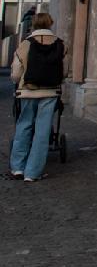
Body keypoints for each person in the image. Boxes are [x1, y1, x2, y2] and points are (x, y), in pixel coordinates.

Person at [6, 11, 65, 183]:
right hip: (50, 91)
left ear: (33, 24)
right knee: (42, 130)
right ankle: (33, 172)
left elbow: (16, 73)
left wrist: (17, 81)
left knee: (24, 125)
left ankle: (17, 167)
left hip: (27, 91)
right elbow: (64, 70)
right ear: (50, 23)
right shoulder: (60, 44)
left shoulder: (25, 44)